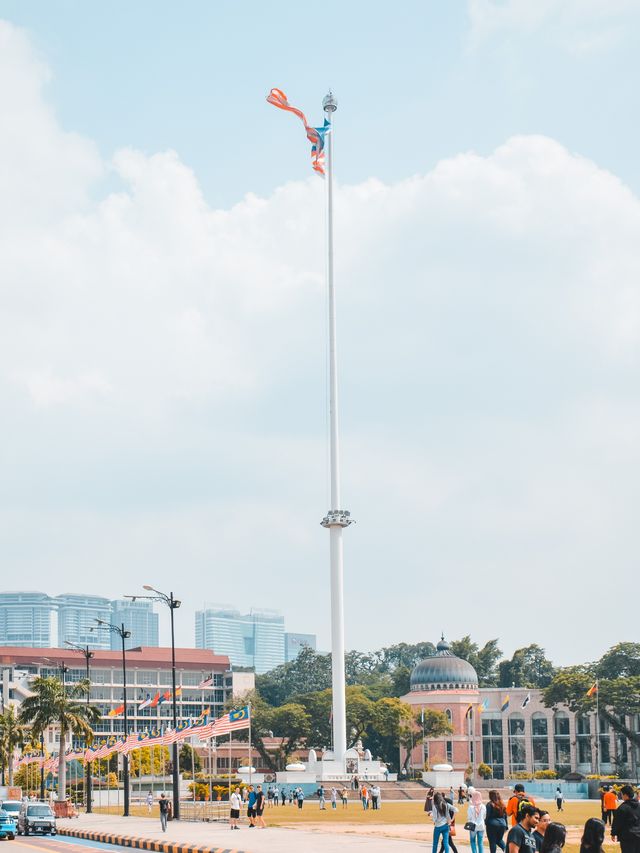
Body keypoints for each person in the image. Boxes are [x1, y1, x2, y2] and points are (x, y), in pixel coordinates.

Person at [612, 785, 640, 853]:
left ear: (625, 795)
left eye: (621, 794)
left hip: (627, 837)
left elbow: (617, 822)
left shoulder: (622, 808)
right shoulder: (639, 806)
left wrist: (613, 833)